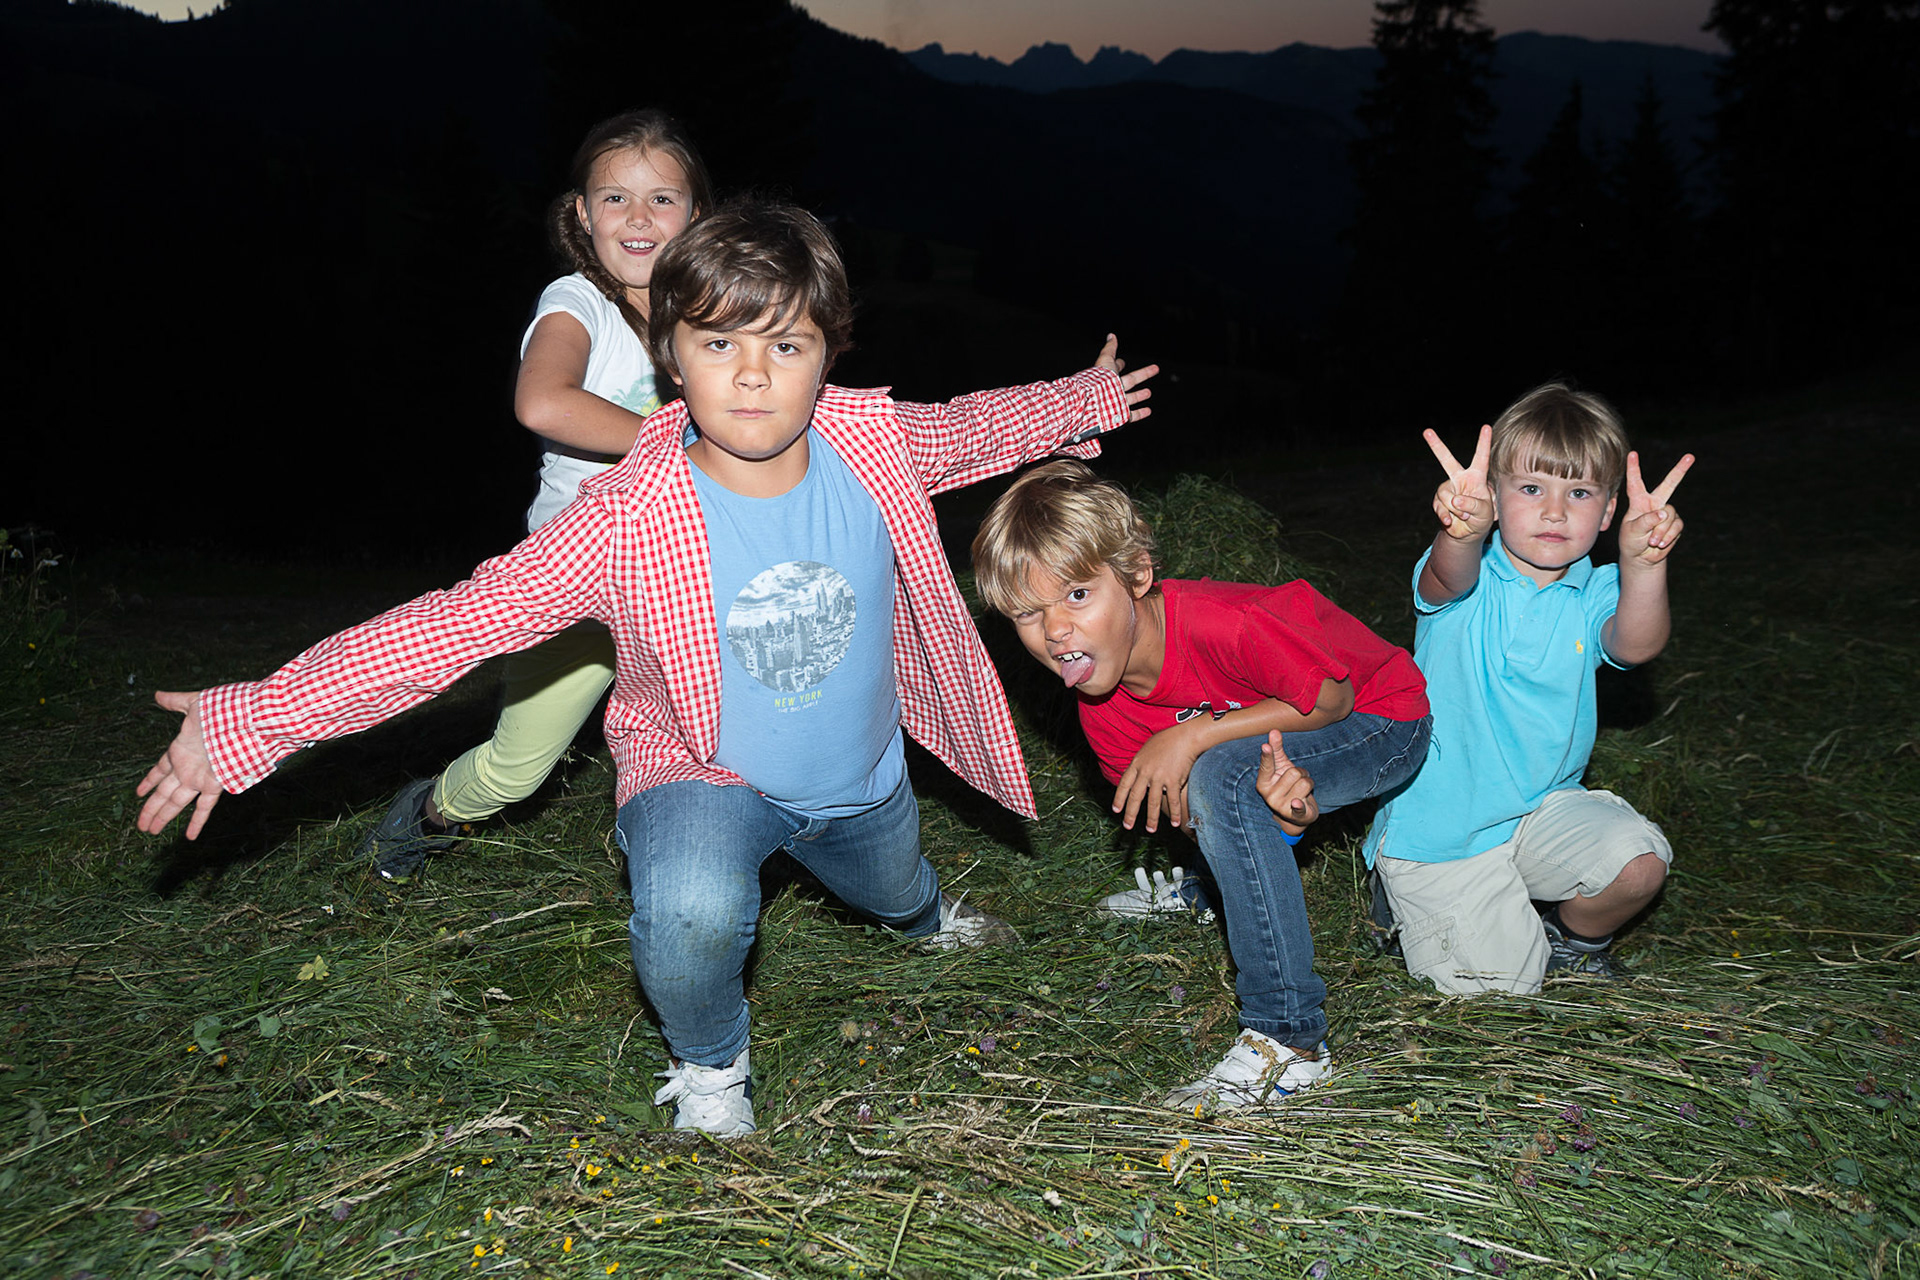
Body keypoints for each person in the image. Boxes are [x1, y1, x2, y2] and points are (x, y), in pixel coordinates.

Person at [135, 200, 1159, 1138]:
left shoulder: (875, 442)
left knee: (894, 887)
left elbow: (978, 427)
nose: (752, 375)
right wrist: (256, 718)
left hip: (859, 777)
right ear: (671, 354)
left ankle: (924, 916)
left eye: (786, 344)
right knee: (692, 910)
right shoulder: (625, 516)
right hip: (700, 771)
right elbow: (453, 625)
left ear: (828, 354)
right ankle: (710, 1065)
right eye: (719, 343)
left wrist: (1088, 396)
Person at [970, 460, 1431, 1112]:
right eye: (1027, 612)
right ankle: (1212, 890)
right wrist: (1281, 824)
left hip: (1380, 719)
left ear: (1136, 575)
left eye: (1076, 595)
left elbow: (1333, 698)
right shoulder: (1102, 710)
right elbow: (1192, 815)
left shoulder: (1221, 624)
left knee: (1218, 771)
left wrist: (1189, 736)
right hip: (1279, 750)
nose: (1054, 630)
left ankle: (1291, 1040)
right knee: (1223, 787)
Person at [362, 108, 713, 884]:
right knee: (514, 772)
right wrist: (690, 445)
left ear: (695, 215)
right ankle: (424, 816)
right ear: (583, 214)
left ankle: (699, 860)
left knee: (735, 729)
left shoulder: (713, 310)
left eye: (663, 198)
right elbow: (544, 402)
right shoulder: (576, 302)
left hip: (688, 572)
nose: (639, 217)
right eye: (615, 198)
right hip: (576, 574)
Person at [1363, 382, 1693, 995]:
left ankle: (1572, 942)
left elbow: (1636, 645)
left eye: (1580, 493)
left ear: (1609, 511)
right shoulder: (1470, 580)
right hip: (1443, 835)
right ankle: (1402, 893)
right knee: (1504, 997)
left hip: (1540, 811)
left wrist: (1644, 565)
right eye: (1532, 488)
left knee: (1639, 864)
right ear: (1493, 495)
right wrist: (1461, 534)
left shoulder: (1596, 591)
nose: (1555, 512)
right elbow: (1444, 578)